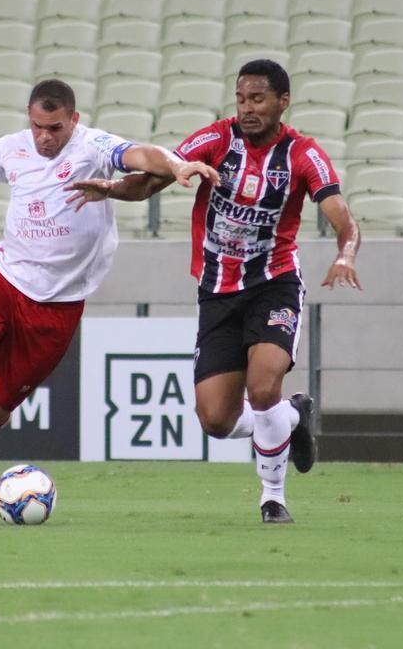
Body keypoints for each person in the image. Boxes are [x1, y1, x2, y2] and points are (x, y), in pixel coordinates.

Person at [0, 79, 219, 511]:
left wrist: (176, 165)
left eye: (55, 128)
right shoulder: (11, 148)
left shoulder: (92, 146)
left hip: (58, 306)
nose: (45, 137)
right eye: (38, 127)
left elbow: (141, 155)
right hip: (3, 281)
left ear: (74, 121)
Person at [68, 59, 361, 524]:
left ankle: (273, 497)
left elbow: (343, 217)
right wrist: (112, 189)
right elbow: (151, 180)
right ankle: (291, 419)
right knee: (216, 421)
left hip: (274, 284)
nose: (247, 108)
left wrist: (345, 254)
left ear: (283, 102)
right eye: (241, 98)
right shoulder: (216, 139)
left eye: (258, 99)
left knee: (263, 388)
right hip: (217, 291)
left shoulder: (304, 155)